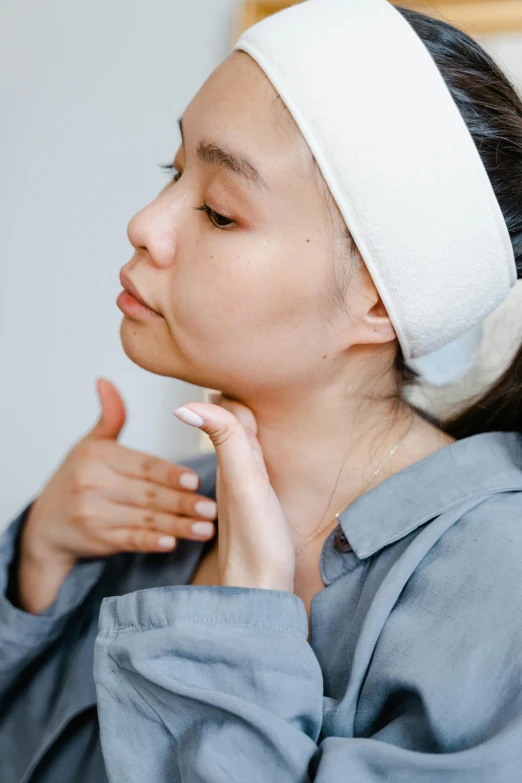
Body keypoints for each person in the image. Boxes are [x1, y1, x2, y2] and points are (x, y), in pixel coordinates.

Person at [2, 1, 522, 780]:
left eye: (219, 211)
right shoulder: (161, 514)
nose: (146, 223)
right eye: (173, 172)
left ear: (379, 301)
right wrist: (38, 565)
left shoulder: (497, 583)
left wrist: (237, 630)